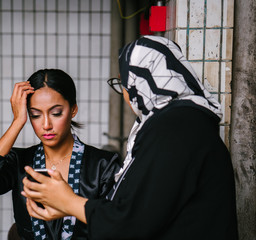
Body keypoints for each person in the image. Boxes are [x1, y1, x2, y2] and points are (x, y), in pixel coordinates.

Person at [22, 36, 239, 239]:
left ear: (141, 83)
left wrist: (68, 202)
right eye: (35, 115)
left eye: (124, 83)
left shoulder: (175, 130)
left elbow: (131, 221)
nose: (126, 94)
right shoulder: (180, 123)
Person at [0, 69, 120, 239]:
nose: (46, 124)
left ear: (73, 109)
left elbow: (116, 224)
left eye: (56, 113)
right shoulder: (20, 161)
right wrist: (17, 122)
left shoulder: (103, 165)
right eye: (35, 115)